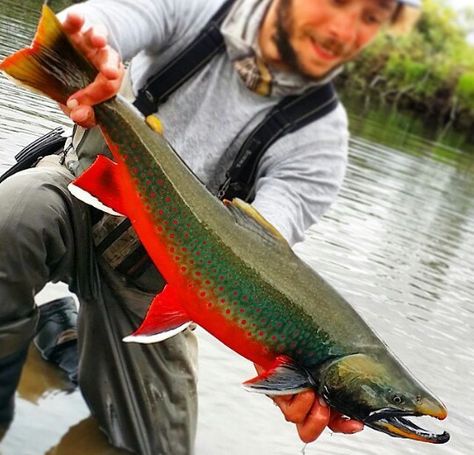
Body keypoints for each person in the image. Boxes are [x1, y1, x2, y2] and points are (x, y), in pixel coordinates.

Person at [0, 0, 421, 453]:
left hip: (162, 285)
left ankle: (67, 338)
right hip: (76, 196)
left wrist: (283, 369)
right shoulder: (199, 7)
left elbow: (259, 263)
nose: (344, 28)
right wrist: (86, 47)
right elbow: (106, 19)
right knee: (13, 214)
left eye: (372, 16)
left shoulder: (322, 139)